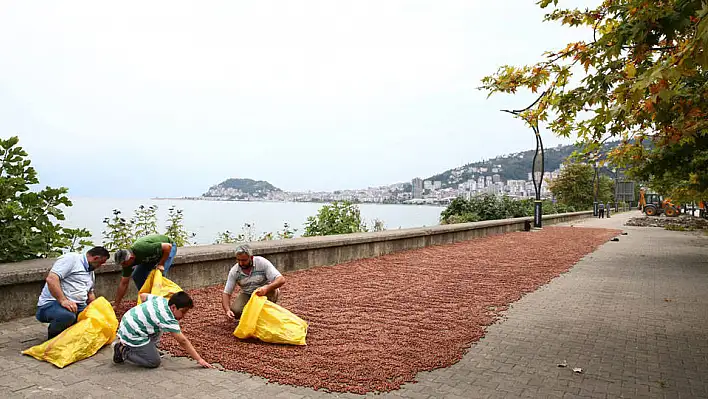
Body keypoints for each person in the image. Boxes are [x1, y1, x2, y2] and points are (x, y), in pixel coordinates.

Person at [112, 291, 213, 369]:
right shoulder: (167, 318)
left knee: (158, 326)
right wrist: (199, 359)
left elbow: (143, 296)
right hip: (132, 332)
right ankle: (123, 350)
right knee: (154, 362)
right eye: (183, 312)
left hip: (128, 319)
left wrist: (144, 314)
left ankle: (147, 348)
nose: (184, 316)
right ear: (173, 307)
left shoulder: (163, 301)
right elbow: (183, 341)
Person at [35, 247, 111, 340]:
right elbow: (51, 279)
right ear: (95, 258)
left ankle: (70, 337)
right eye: (100, 263)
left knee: (93, 319)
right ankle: (53, 338)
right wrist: (63, 300)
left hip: (77, 305)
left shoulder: (90, 272)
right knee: (67, 316)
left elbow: (90, 293)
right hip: (52, 303)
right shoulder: (71, 259)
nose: (100, 266)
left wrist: (95, 310)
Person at [222, 244, 285, 321]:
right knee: (236, 311)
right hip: (248, 293)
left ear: (251, 257)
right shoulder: (234, 271)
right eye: (238, 260)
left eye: (244, 260)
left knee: (263, 309)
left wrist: (267, 288)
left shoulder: (262, 262)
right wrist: (227, 310)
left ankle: (267, 310)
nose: (241, 263)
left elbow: (281, 279)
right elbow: (226, 293)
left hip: (265, 291)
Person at [112, 234, 177, 306]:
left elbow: (168, 247)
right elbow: (124, 283)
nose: (123, 266)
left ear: (131, 258)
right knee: (137, 275)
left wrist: (161, 264)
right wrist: (116, 303)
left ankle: (164, 301)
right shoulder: (127, 264)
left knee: (159, 275)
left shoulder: (142, 249)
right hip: (152, 255)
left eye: (124, 264)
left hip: (168, 249)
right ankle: (148, 298)